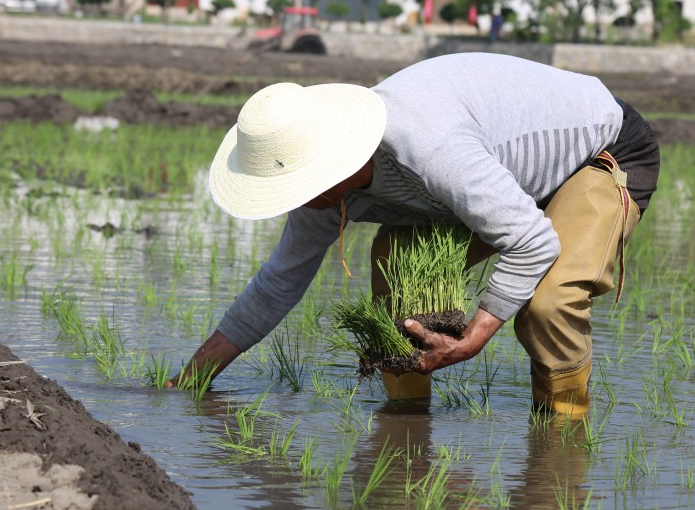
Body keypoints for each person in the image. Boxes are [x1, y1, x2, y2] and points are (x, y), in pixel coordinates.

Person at [175, 52, 660, 417]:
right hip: (505, 176)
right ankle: (407, 424)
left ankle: (561, 441)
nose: (294, 198)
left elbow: (532, 241)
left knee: (547, 302)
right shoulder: (322, 192)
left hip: (599, 151)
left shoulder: (430, 148)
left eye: (297, 185)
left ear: (334, 161)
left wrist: (474, 336)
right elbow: (280, 280)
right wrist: (193, 377)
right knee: (397, 258)